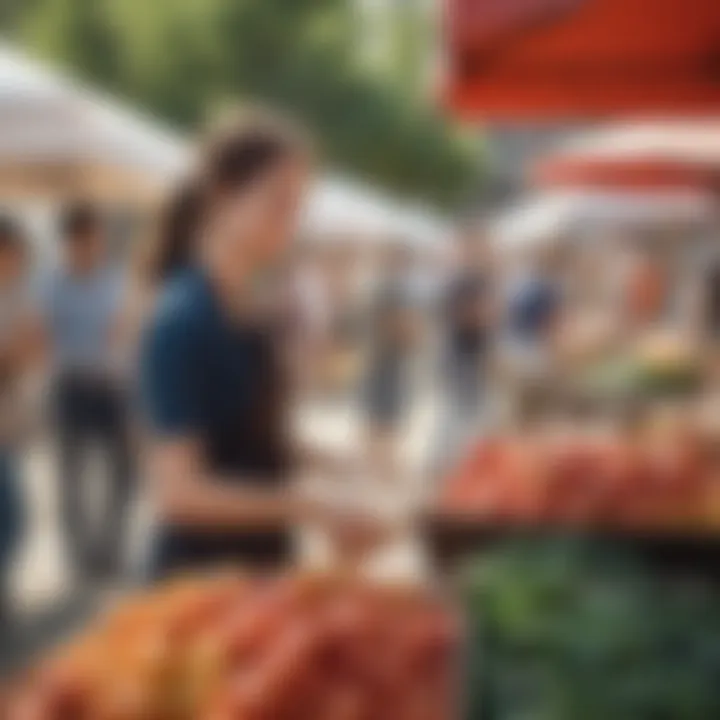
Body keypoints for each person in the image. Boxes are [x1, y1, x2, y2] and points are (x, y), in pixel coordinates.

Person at [139, 109, 384, 579]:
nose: (291, 221)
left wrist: (338, 464)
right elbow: (180, 493)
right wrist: (311, 505)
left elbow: (248, 438)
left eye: (298, 206)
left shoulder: (247, 304)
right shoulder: (183, 317)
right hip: (200, 582)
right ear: (222, 195)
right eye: (279, 201)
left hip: (260, 567)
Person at [41, 202, 132, 580]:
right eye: (84, 241)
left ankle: (108, 548)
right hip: (70, 384)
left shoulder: (118, 280)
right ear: (68, 243)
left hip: (112, 385)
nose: (92, 247)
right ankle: (80, 556)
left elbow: (129, 326)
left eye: (97, 240)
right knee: (70, 476)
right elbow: (39, 333)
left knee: (122, 472)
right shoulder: (49, 284)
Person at [431, 224, 495, 478]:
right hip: (460, 354)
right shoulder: (463, 280)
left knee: (461, 415)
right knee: (456, 416)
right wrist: (486, 314)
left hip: (469, 354)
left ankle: (449, 467)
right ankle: (446, 469)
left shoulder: (474, 279)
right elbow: (466, 317)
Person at [0, 217, 38, 621]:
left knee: (13, 513)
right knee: (13, 513)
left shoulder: (17, 295)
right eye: (16, 254)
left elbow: (34, 352)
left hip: (10, 422)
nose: (21, 262)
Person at [362, 242, 419, 481]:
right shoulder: (391, 290)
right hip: (386, 360)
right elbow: (394, 326)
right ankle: (381, 468)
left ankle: (380, 466)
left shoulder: (387, 289)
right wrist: (411, 335)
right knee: (384, 416)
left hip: (384, 359)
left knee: (382, 417)